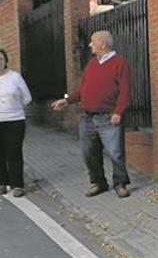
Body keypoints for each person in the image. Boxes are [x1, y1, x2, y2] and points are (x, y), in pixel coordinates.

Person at [50, 30, 132, 198]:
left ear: (103, 44)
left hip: (108, 117)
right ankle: (99, 183)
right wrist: (66, 101)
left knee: (115, 153)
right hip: (87, 117)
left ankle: (120, 183)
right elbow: (82, 89)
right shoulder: (92, 63)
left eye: (92, 41)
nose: (89, 45)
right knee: (89, 153)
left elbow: (125, 90)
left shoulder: (119, 62)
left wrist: (118, 111)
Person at [0, 49, 32, 197]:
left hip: (15, 120)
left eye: (1, 59)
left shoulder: (15, 77)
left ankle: (17, 184)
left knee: (14, 151)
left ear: (5, 61)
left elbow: (27, 98)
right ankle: (2, 183)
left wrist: (12, 107)